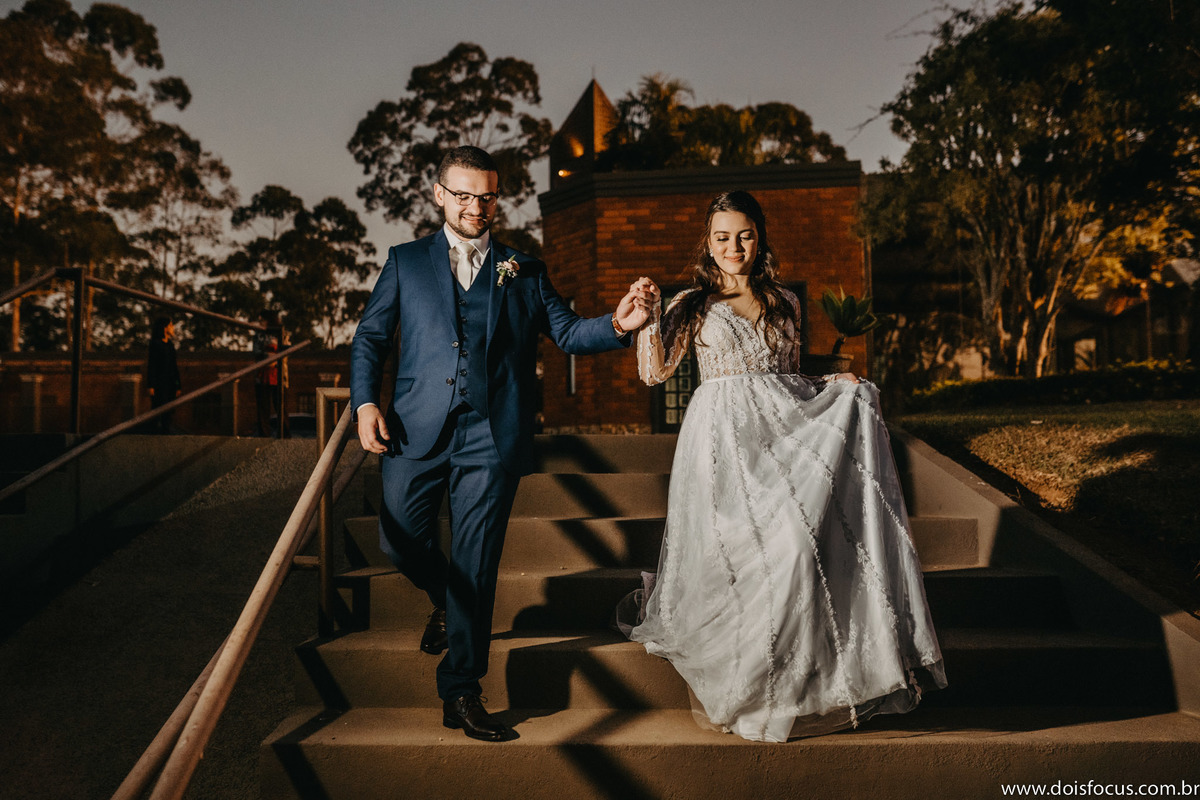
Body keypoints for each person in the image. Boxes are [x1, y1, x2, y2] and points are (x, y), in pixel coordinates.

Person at [350, 145, 656, 742]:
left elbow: (567, 333)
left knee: (477, 565)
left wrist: (619, 324)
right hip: (415, 429)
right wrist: (365, 403)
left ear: (497, 198)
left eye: (486, 196)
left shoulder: (525, 269)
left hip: (491, 438)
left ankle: (461, 688)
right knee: (399, 538)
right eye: (463, 194)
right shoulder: (405, 262)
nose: (475, 206)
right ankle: (445, 598)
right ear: (438, 194)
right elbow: (370, 339)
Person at [623, 190, 946, 742]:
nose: (734, 246)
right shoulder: (689, 304)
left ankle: (798, 679)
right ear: (708, 242)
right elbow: (654, 374)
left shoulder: (784, 303)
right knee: (736, 557)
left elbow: (789, 377)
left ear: (760, 237)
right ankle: (745, 679)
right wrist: (649, 320)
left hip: (780, 438)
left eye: (744, 235)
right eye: (722, 237)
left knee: (794, 546)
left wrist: (832, 384)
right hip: (720, 440)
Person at [146, 316, 181, 434]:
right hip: (159, 384)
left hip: (170, 383)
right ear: (165, 328)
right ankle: (154, 433)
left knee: (169, 410)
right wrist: (151, 385)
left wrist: (178, 385)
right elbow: (152, 365)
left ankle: (166, 432)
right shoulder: (155, 344)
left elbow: (174, 366)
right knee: (157, 409)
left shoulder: (170, 345)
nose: (173, 328)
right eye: (171, 325)